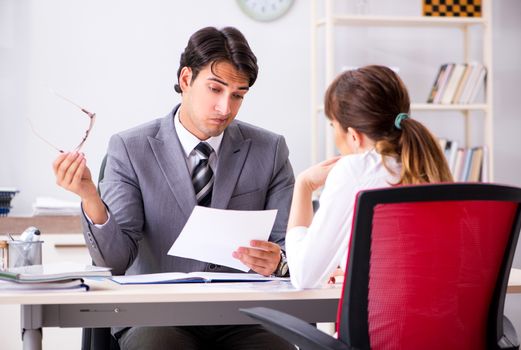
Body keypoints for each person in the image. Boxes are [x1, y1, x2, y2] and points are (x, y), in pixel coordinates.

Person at [52, 26, 295, 350]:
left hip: (244, 316)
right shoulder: (130, 147)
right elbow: (116, 260)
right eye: (215, 89)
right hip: (156, 315)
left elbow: (290, 251)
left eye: (238, 95)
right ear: (185, 80)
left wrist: (278, 260)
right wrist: (90, 197)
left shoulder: (270, 149)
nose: (226, 107)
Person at [285, 65, 453, 289]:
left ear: (354, 136)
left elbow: (303, 277)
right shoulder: (427, 165)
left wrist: (303, 185)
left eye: (334, 125)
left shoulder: (354, 170)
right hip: (446, 323)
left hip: (383, 324)